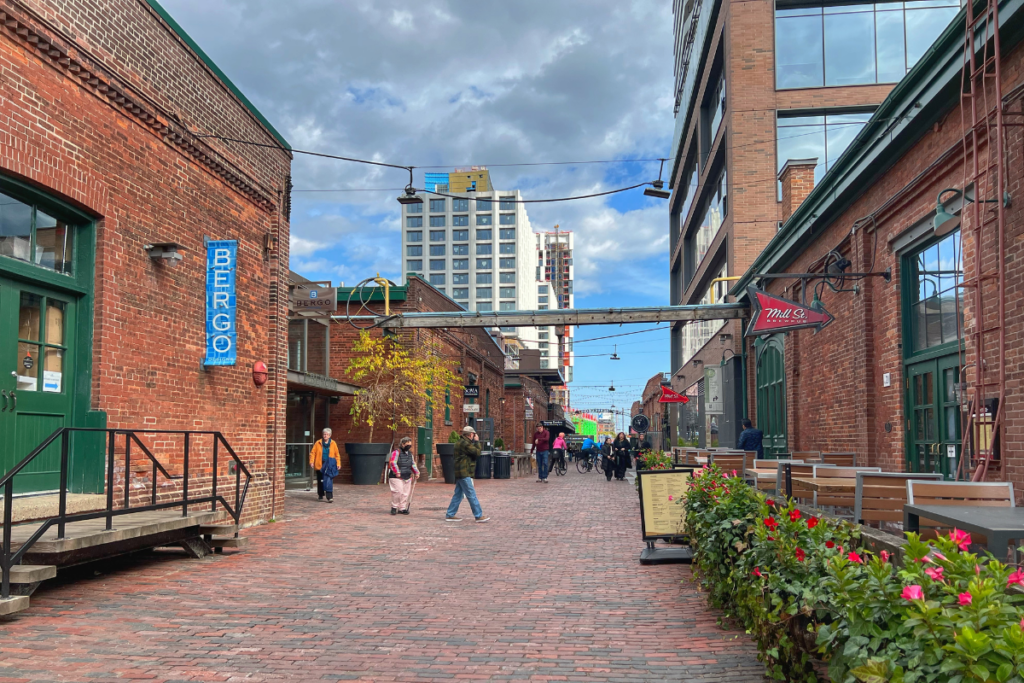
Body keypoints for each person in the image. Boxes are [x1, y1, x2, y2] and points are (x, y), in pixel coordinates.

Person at [446, 426, 490, 522]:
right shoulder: (465, 444)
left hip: (460, 472)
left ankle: (450, 514)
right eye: (473, 434)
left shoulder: (459, 442)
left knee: (458, 495)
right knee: (471, 494)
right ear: (471, 434)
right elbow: (477, 453)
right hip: (464, 472)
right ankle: (478, 515)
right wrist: (477, 442)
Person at [388, 436, 420, 515]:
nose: (409, 446)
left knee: (405, 493)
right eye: (407, 444)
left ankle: (402, 507)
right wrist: (397, 472)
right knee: (398, 491)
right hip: (396, 476)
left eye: (410, 444)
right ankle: (394, 507)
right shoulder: (396, 452)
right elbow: (393, 462)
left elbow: (412, 464)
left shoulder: (410, 454)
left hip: (407, 475)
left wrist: (416, 472)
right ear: (402, 444)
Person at [308, 428, 342, 502]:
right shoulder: (318, 443)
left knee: (329, 480)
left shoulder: (333, 443)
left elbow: (337, 454)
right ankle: (320, 494)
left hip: (329, 465)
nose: (325, 436)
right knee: (320, 480)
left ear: (330, 435)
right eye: (324, 434)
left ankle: (329, 497)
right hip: (320, 464)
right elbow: (313, 453)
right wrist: (311, 462)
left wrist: (338, 463)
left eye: (327, 434)